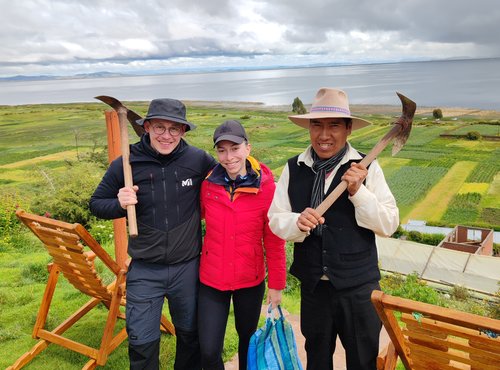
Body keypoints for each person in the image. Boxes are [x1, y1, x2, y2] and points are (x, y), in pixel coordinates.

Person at [268, 88, 399, 370]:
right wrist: (296, 222)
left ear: (349, 129)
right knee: (317, 358)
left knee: (362, 361)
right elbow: (276, 219)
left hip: (358, 289)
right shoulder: (294, 168)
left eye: (334, 126)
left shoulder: (368, 168)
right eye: (317, 125)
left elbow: (389, 224)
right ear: (309, 127)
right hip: (314, 288)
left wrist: (358, 192)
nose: (324, 135)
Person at [90, 98, 216, 370]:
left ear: (183, 131)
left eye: (174, 129)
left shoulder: (198, 160)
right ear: (146, 127)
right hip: (145, 271)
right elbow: (96, 204)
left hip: (188, 268)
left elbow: (230, 178)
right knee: (142, 341)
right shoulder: (126, 163)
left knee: (190, 336)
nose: (166, 135)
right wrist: (119, 204)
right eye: (159, 127)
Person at [197, 120, 287, 370]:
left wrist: (277, 285)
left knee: (247, 342)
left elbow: (274, 240)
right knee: (208, 349)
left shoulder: (267, 188)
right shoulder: (208, 185)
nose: (229, 157)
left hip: (250, 279)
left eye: (235, 148)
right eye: (222, 150)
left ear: (248, 148)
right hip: (211, 279)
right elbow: (192, 216)